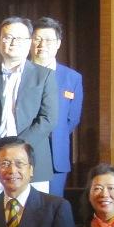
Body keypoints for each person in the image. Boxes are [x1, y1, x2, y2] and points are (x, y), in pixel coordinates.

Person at [0, 17, 57, 186]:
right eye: (8, 37)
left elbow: (48, 119)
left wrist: (18, 148)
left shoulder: (44, 76)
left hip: (32, 158)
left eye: (20, 38)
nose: (13, 42)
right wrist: (0, 146)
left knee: (33, 211)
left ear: (29, 42)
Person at [31, 17, 84, 197]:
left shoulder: (72, 78)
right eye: (37, 38)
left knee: (51, 209)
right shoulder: (21, 73)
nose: (42, 44)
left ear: (58, 43)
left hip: (56, 155)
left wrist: (52, 136)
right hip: (23, 152)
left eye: (48, 40)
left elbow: (72, 118)